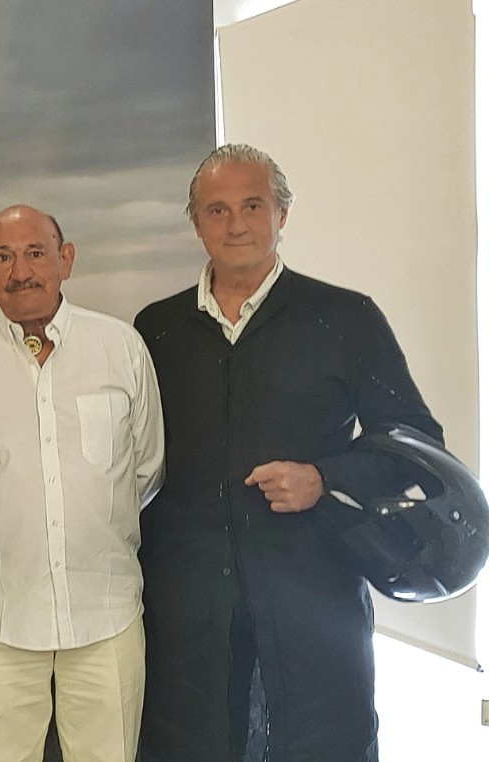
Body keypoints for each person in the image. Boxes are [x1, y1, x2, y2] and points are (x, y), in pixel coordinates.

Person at [134, 144, 440, 762]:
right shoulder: (155, 330)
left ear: (283, 215)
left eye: (253, 205)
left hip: (312, 595)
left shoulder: (345, 318)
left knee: (322, 742)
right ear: (195, 223)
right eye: (216, 210)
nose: (236, 223)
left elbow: (414, 441)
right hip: (189, 605)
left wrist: (323, 477)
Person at [0, 206, 164, 762]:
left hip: (106, 613)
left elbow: (146, 469)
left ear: (67, 260)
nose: (21, 270)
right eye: (3, 257)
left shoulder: (121, 348)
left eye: (36, 252)